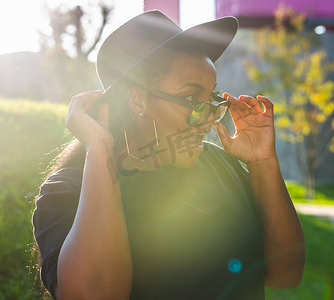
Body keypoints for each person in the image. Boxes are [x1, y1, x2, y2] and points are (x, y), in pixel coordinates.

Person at [32, 10, 305, 300]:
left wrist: (263, 162)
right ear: (139, 99)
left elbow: (286, 273)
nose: (210, 118)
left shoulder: (222, 166)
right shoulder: (68, 190)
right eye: (190, 98)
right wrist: (99, 149)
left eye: (211, 98)